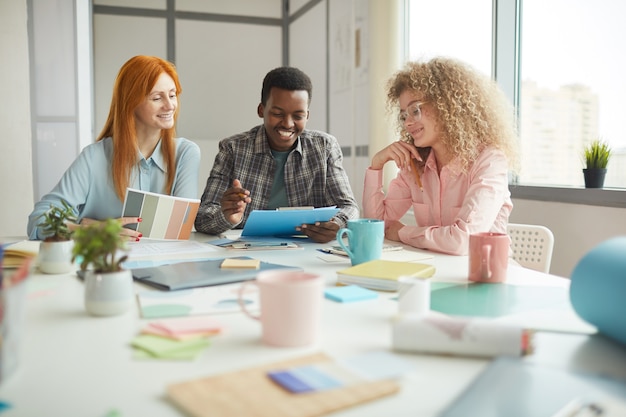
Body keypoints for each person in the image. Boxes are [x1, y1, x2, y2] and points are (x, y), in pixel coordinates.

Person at [27, 55, 201, 241]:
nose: (169, 105)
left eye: (173, 95)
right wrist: (88, 230)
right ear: (131, 102)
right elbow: (38, 220)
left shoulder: (185, 154)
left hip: (162, 263)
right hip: (103, 263)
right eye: (157, 98)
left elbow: (180, 230)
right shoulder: (94, 157)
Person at [363, 57, 519, 255]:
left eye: (415, 110)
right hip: (436, 270)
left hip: (485, 275)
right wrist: (376, 165)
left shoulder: (489, 160)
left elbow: (463, 241)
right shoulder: (415, 164)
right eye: (404, 115)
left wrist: (403, 232)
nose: (408, 123)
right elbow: (376, 226)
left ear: (447, 106)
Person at [194, 66, 359, 243]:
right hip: (247, 251)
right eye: (277, 114)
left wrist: (337, 224)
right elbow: (202, 218)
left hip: (308, 250)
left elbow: (349, 207)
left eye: (298, 116)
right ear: (261, 110)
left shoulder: (325, 147)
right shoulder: (233, 149)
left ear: (307, 116)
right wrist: (227, 217)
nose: (288, 124)